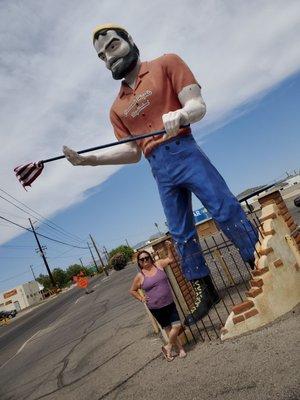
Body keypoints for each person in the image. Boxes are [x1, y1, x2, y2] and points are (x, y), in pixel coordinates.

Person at [63, 23, 258, 325]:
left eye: (113, 46)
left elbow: (197, 104)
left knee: (224, 208)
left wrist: (180, 114)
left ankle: (258, 262)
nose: (108, 57)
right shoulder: (117, 108)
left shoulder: (167, 63)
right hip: (159, 168)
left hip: (184, 151)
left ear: (129, 40)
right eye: (102, 55)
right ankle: (206, 290)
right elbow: (132, 151)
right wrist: (88, 160)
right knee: (180, 233)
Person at [130, 242, 186, 361]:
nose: (145, 260)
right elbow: (132, 291)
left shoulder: (158, 264)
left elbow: (170, 259)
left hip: (169, 303)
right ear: (139, 263)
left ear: (150, 258)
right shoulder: (139, 276)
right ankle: (180, 349)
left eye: (146, 258)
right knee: (169, 329)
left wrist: (169, 248)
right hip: (156, 307)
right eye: (142, 260)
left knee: (176, 325)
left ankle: (168, 347)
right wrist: (141, 298)